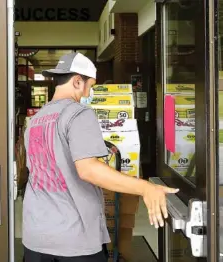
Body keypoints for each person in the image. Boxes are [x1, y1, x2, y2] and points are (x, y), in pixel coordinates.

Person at [23, 52, 178, 262]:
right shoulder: (78, 113)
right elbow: (88, 169)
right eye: (91, 86)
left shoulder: (35, 121)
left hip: (36, 237)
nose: (90, 92)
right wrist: (146, 188)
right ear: (78, 81)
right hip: (73, 240)